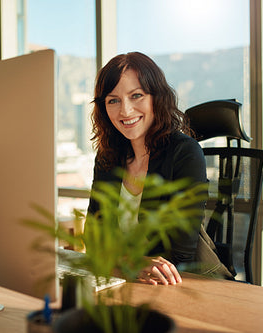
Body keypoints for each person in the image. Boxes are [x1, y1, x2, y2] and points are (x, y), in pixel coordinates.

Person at [87, 52, 207, 286]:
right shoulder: (108, 155)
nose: (126, 111)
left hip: (171, 287)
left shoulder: (185, 153)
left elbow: (180, 256)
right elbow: (93, 238)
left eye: (136, 96)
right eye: (113, 100)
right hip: (119, 280)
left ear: (157, 97)